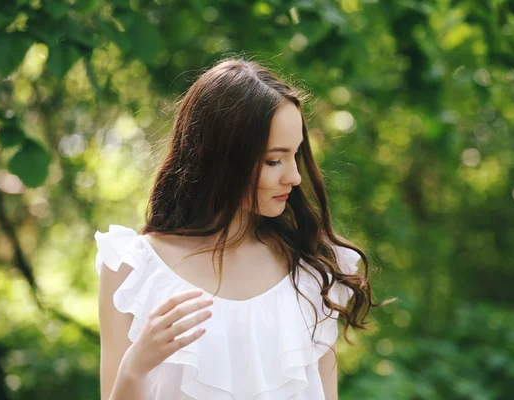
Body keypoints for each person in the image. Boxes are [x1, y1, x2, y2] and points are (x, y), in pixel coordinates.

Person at [95, 57, 393, 400]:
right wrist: (136, 365)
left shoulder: (310, 270)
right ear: (220, 159)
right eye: (273, 161)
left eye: (294, 156)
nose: (294, 177)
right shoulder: (132, 270)